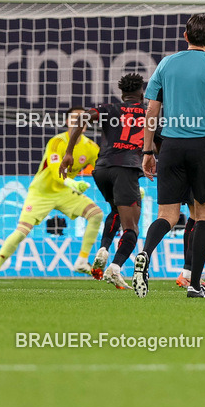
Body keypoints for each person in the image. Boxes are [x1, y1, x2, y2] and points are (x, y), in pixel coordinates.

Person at [133, 14, 205, 299]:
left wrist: (147, 150)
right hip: (203, 145)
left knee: (167, 214)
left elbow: (152, 112)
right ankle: (194, 284)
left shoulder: (166, 63)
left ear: (185, 35)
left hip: (171, 145)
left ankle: (144, 253)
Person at [0, 108, 102, 280]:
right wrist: (72, 182)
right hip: (41, 193)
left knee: (96, 214)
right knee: (21, 232)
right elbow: (56, 170)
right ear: (67, 122)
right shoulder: (56, 142)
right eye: (75, 118)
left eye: (83, 118)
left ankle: (82, 260)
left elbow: (104, 170)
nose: (79, 121)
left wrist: (127, 187)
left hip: (65, 193)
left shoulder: (91, 147)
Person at [59, 74, 148, 289]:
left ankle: (104, 248)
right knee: (132, 227)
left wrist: (69, 152)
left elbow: (82, 118)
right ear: (142, 92)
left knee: (115, 210)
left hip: (102, 169)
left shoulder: (109, 108)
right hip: (126, 169)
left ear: (122, 94)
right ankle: (115, 268)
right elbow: (160, 141)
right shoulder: (149, 113)